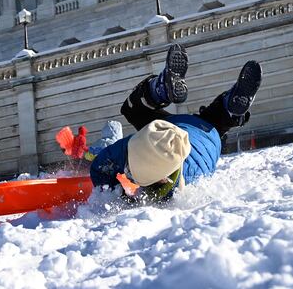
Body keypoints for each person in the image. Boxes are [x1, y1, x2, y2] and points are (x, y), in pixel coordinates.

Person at [90, 43, 262, 200]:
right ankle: (159, 90)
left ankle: (229, 111)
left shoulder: (190, 180)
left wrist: (122, 198)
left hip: (210, 135)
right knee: (132, 110)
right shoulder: (136, 145)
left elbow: (102, 169)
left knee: (215, 120)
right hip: (174, 127)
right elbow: (102, 166)